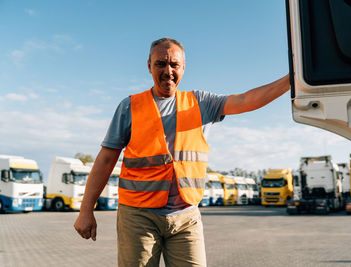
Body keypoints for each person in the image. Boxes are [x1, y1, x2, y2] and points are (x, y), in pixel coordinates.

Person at [74, 37, 290, 267]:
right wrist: (86, 210)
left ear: (183, 67)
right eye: (160, 64)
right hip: (139, 217)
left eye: (174, 64)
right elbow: (106, 160)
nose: (168, 71)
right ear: (149, 66)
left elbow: (246, 99)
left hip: (186, 217)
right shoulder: (129, 107)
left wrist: (291, 81)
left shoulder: (201, 103)